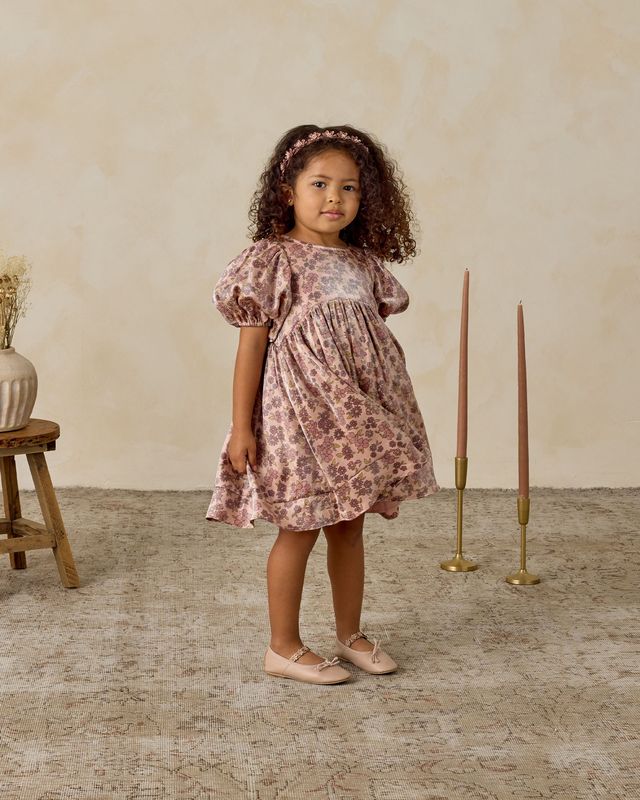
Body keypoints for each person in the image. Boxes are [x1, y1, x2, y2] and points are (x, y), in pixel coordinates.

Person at [206, 125, 440, 685]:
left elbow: (365, 346)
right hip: (298, 417)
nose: (335, 198)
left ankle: (350, 633)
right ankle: (283, 646)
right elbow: (252, 347)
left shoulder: (362, 264)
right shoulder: (271, 260)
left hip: (353, 416)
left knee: (350, 526)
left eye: (350, 188)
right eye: (320, 184)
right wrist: (242, 426)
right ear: (288, 190)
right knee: (300, 527)